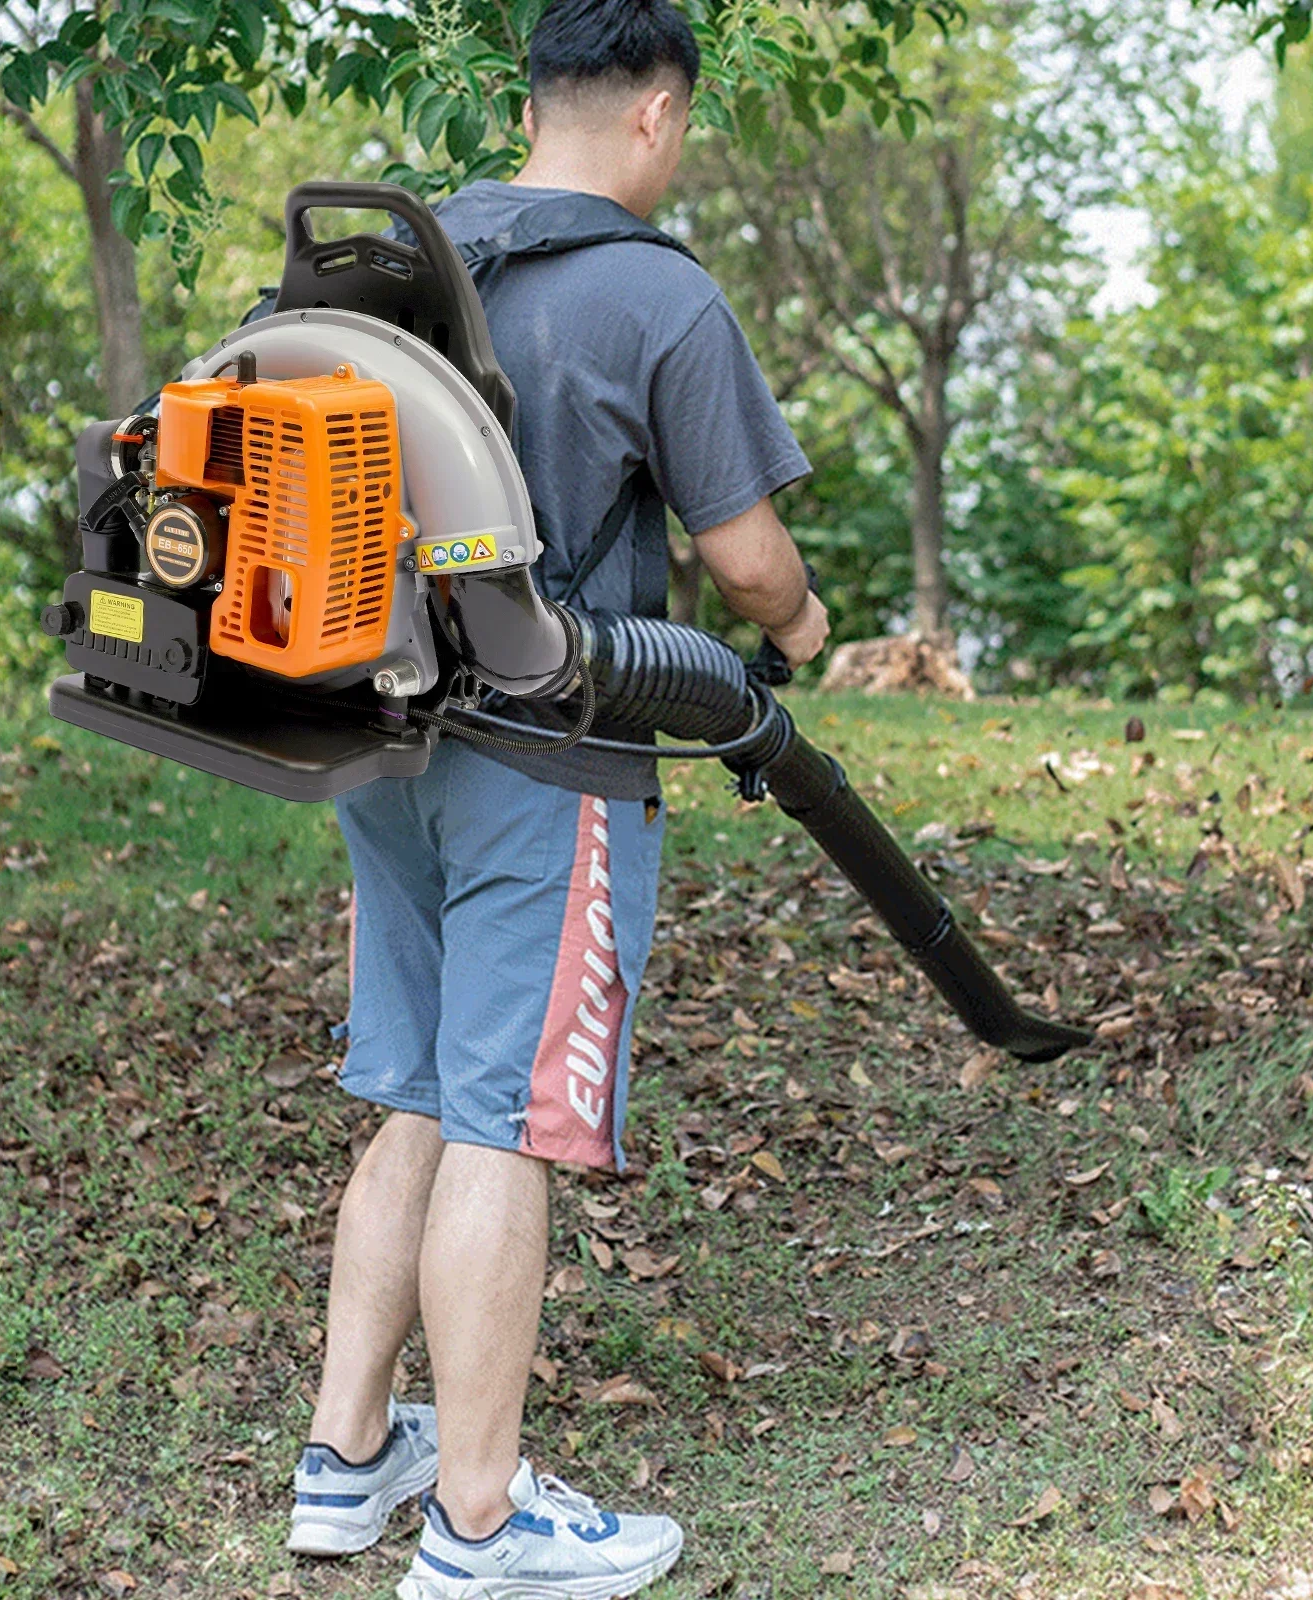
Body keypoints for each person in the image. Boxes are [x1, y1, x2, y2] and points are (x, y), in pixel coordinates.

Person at [286, 1, 830, 1594]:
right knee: (505, 1128)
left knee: (410, 1098)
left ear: (530, 105)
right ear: (657, 113)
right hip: (553, 759)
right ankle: (476, 1525)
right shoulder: (656, 296)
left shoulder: (395, 261)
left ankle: (346, 1461)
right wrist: (798, 629)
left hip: (380, 742)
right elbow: (743, 556)